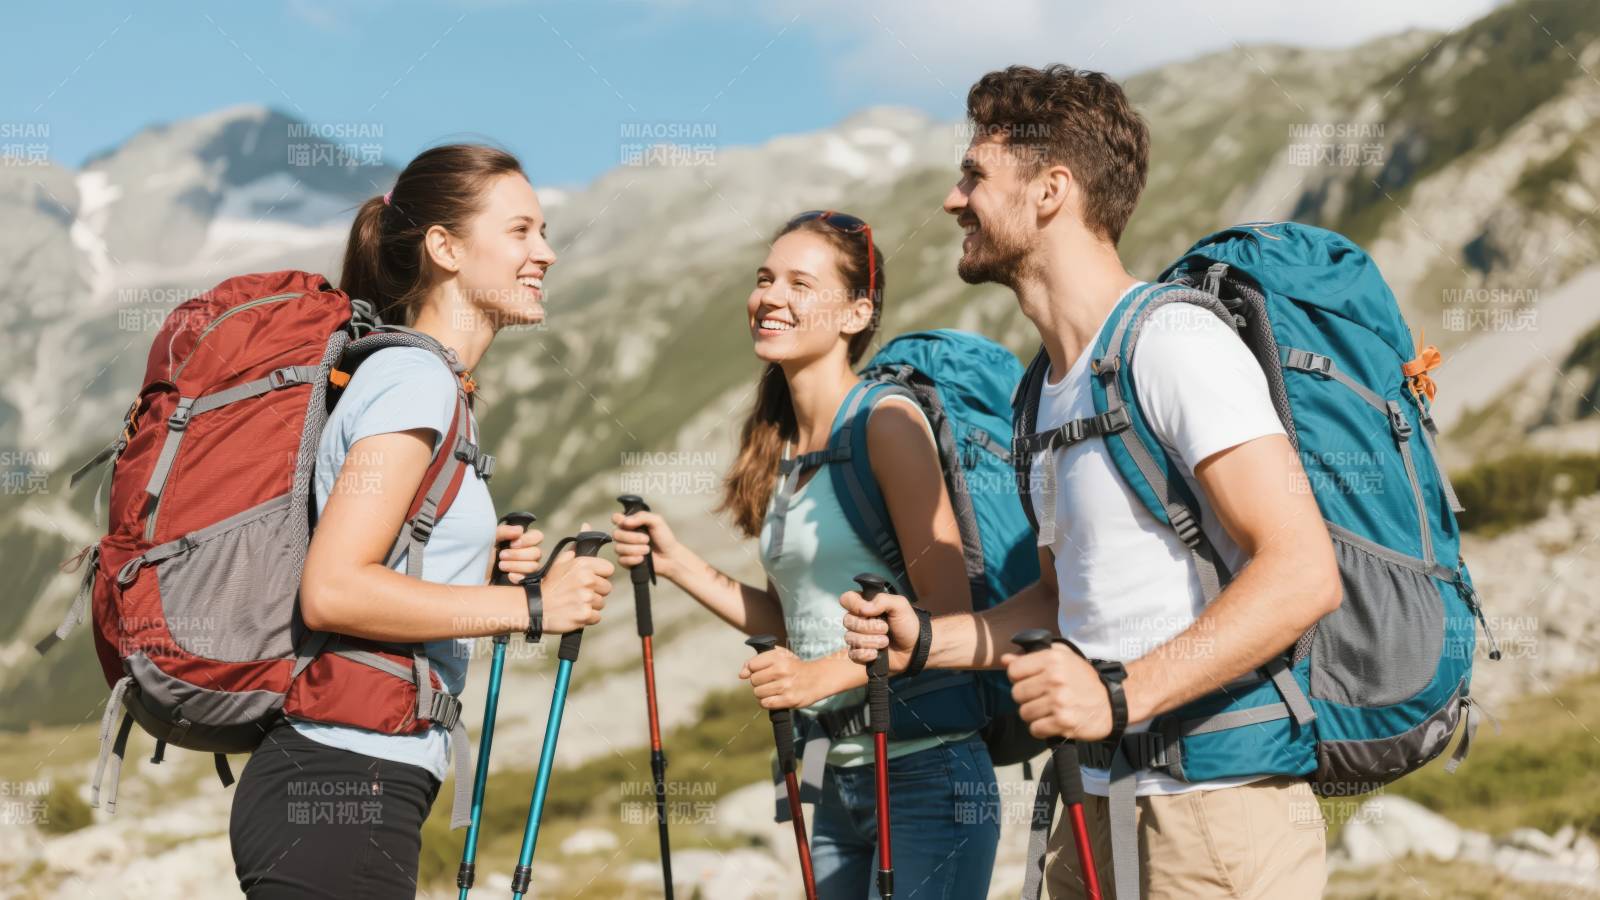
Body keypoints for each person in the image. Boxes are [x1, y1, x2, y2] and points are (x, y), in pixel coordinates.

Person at [840, 65, 1341, 899]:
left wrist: (1120, 695)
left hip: (1213, 809)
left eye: (973, 176)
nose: (952, 201)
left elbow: (1300, 570)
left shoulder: (1173, 342)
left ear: (1050, 190)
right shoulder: (1044, 388)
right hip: (1094, 799)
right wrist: (930, 642)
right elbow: (1056, 602)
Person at [229, 143, 615, 898]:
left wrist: (473, 564)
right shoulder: (414, 380)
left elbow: (380, 554)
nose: (548, 252)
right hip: (341, 784)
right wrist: (531, 605)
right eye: (521, 232)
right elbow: (334, 592)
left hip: (355, 779)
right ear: (444, 248)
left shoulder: (431, 383)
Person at [611, 210, 1001, 897]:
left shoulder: (886, 422)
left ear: (856, 314)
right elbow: (798, 623)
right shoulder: (779, 448)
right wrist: (676, 564)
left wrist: (821, 678)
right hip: (830, 772)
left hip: (927, 772)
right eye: (765, 279)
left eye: (799, 283)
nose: (770, 297)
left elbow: (946, 610)